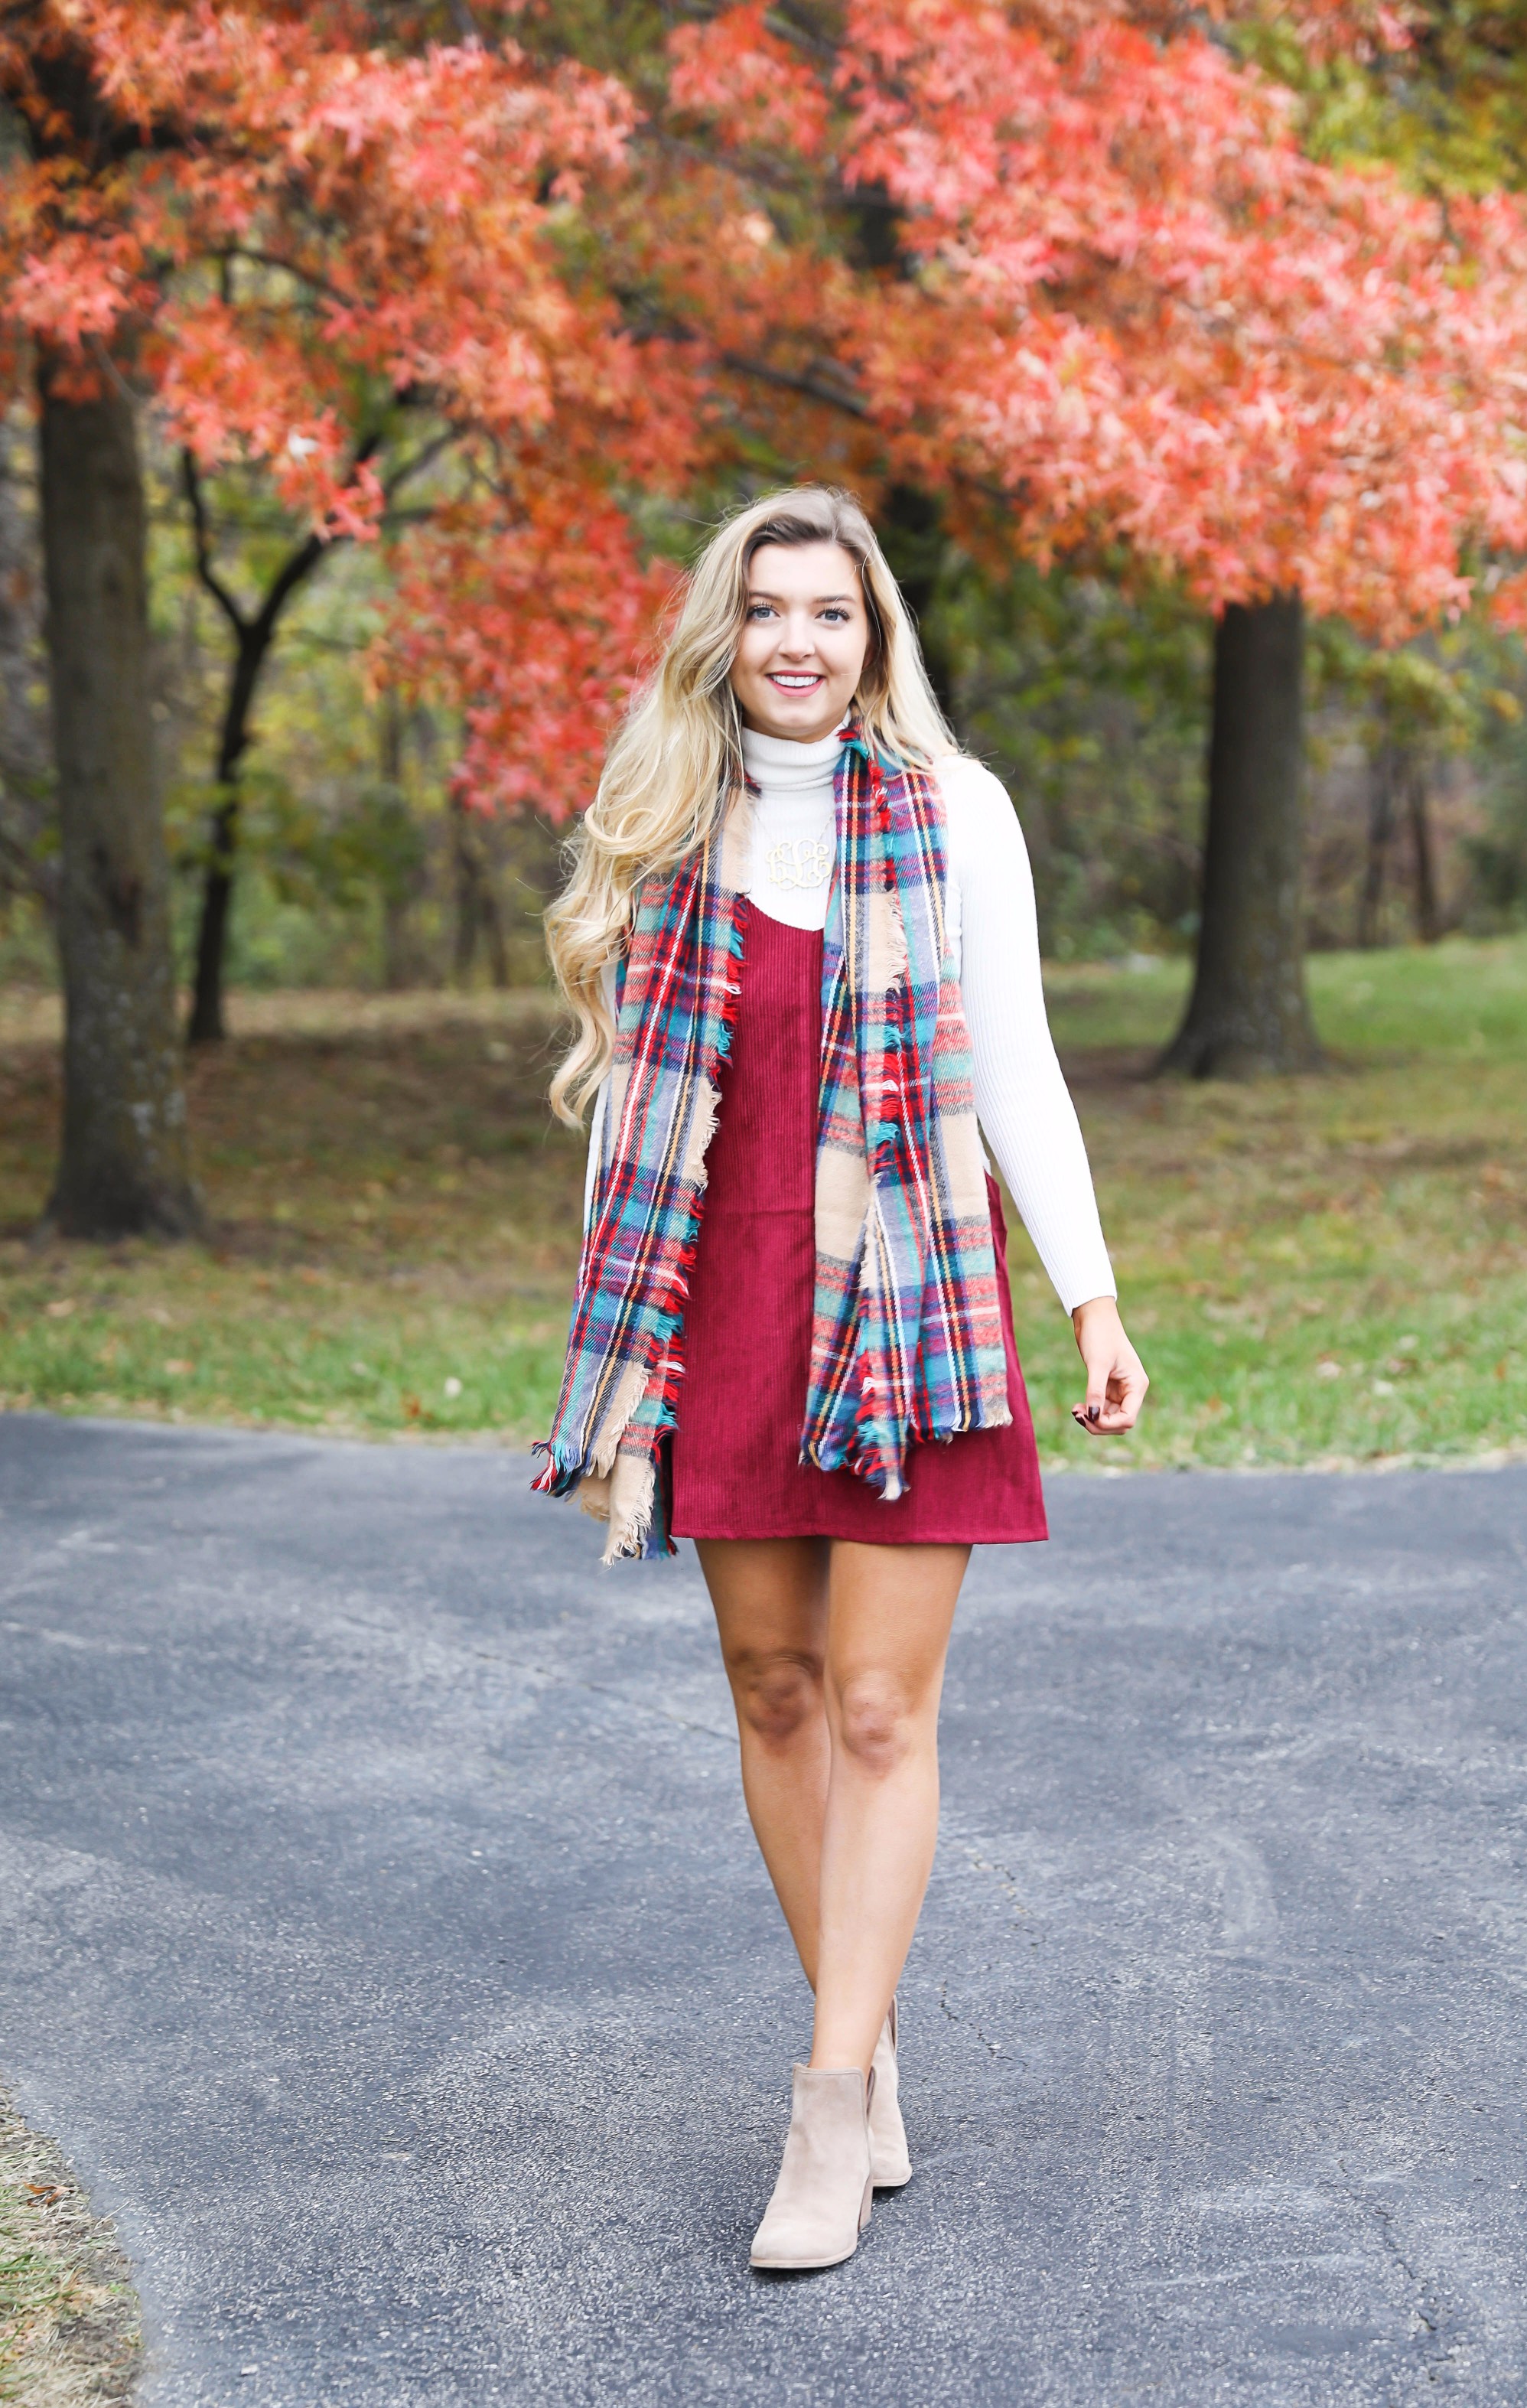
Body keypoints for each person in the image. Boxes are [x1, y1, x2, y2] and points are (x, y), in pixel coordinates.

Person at [536, 487, 1147, 2271]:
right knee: (774, 1684)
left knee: (880, 1708)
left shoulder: (953, 811)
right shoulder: (659, 821)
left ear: (873, 637)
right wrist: (616, 1340)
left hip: (915, 1297)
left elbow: (1011, 1061)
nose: (798, 641)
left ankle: (824, 2097)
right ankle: (863, 2025)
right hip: (718, 1290)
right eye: (767, 609)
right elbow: (625, 1107)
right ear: (720, 634)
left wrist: (1090, 1293)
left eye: (832, 611)